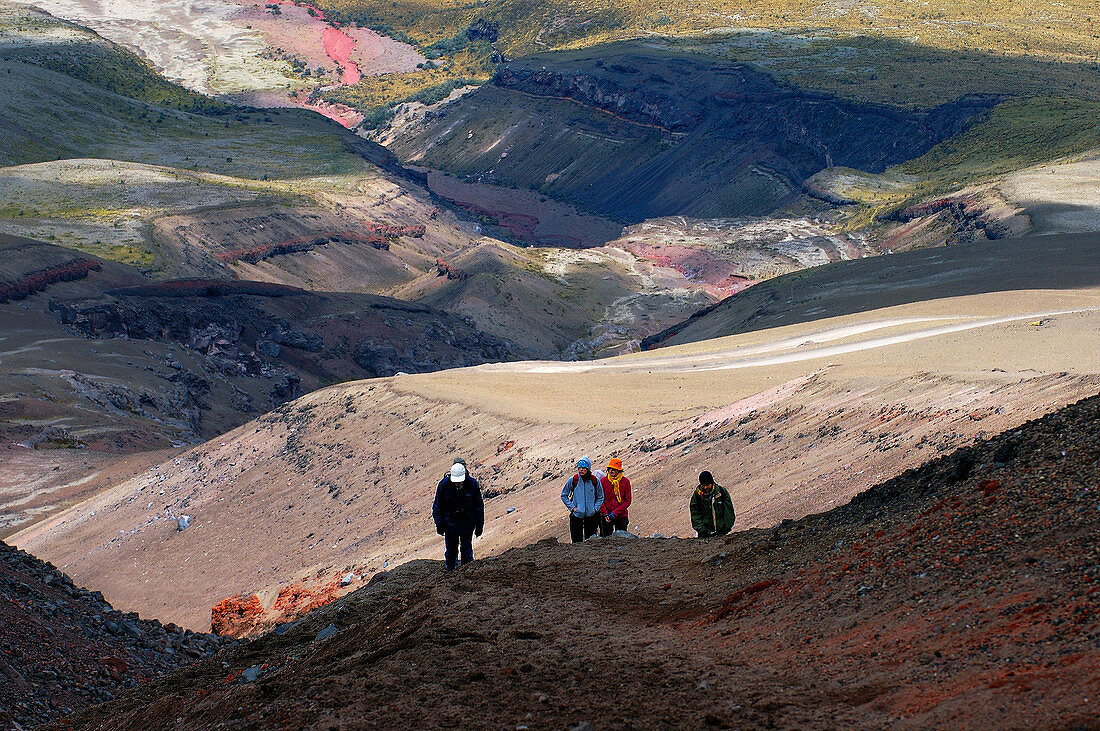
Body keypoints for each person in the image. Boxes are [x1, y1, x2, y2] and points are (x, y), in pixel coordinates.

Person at [432, 462, 484, 570]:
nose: (457, 484)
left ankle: (467, 573)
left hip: (467, 525)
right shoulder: (443, 485)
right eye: (455, 482)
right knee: (451, 553)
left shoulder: (472, 485)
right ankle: (451, 573)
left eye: (459, 482)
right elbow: (437, 507)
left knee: (466, 551)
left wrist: (479, 526)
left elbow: (478, 507)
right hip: (450, 526)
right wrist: (440, 525)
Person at [561, 456, 604, 543]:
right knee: (576, 543)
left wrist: (595, 508)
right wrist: (573, 508)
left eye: (583, 468)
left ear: (588, 468)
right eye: (579, 468)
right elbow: (563, 495)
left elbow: (600, 496)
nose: (581, 470)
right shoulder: (573, 480)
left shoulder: (594, 480)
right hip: (577, 516)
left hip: (591, 516)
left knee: (591, 542)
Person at [690, 470, 735, 538]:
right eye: (703, 485)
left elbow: (728, 511)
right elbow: (695, 513)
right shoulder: (697, 496)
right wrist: (701, 530)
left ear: (712, 483)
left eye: (707, 485)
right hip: (704, 534)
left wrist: (727, 527)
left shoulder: (721, 492)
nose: (705, 487)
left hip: (721, 532)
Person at [598, 457, 631, 536]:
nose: (611, 471)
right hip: (606, 515)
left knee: (621, 539)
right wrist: (605, 513)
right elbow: (600, 498)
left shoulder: (625, 481)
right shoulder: (603, 481)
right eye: (610, 469)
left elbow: (627, 500)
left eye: (614, 469)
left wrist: (615, 513)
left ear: (619, 470)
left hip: (621, 515)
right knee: (606, 539)